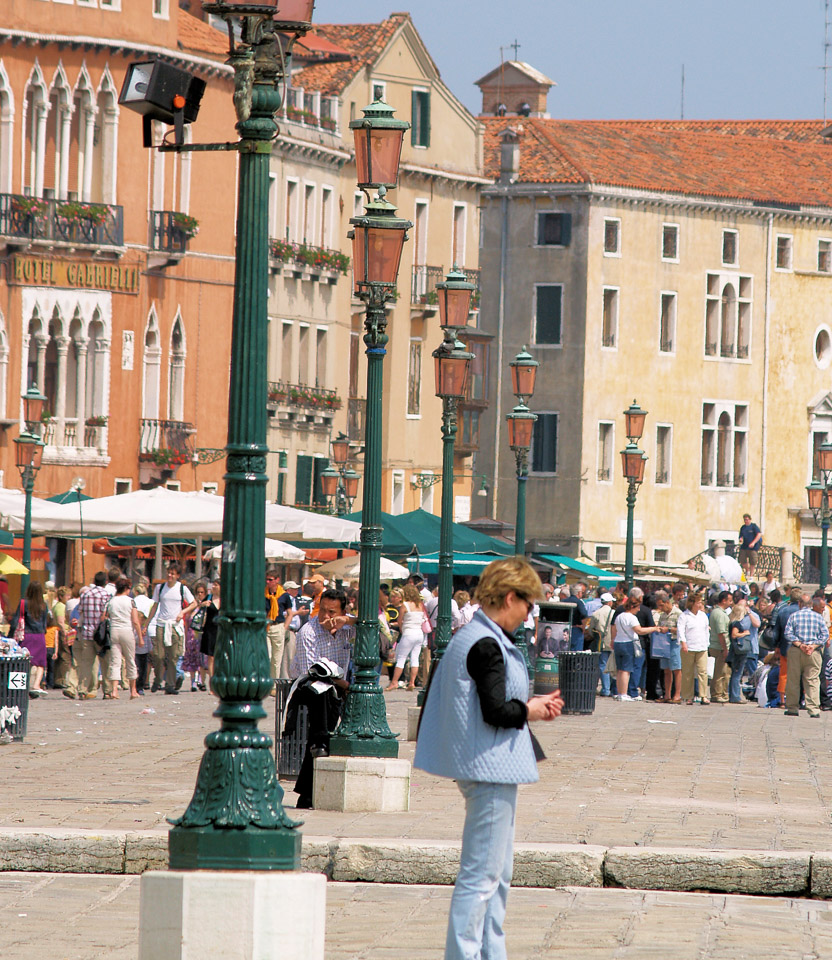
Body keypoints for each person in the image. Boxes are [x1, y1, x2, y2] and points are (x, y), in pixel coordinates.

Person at [414, 557, 563, 960]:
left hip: (488, 764)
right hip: (489, 767)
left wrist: (530, 707)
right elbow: (495, 710)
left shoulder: (479, 636)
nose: (531, 614)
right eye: (529, 604)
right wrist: (530, 709)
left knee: (496, 876)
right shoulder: (485, 644)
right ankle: (465, 954)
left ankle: (489, 953)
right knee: (482, 876)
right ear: (511, 597)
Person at [289, 588, 355, 808]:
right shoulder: (308, 631)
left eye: (332, 612)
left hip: (335, 689)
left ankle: (306, 792)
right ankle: (321, 739)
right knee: (324, 696)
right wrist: (343, 684)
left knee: (326, 713)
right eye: (322, 610)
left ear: (342, 612)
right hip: (308, 685)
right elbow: (311, 670)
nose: (326, 616)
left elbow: (378, 630)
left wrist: (349, 621)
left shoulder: (346, 629)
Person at [147, 563, 194, 695]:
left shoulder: (182, 589)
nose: (170, 575)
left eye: (173, 573)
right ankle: (157, 679)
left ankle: (170, 684)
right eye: (168, 572)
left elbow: (194, 603)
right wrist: (147, 624)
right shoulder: (160, 588)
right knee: (158, 655)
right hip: (161, 624)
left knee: (174, 656)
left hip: (175, 626)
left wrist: (182, 612)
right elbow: (155, 606)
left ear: (177, 576)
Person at [784, 593, 829, 717]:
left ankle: (792, 708)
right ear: (811, 605)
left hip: (796, 650)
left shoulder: (794, 616)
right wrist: (813, 646)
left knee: (793, 679)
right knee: (813, 680)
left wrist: (800, 644)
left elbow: (788, 633)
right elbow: (824, 635)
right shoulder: (818, 617)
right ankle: (813, 709)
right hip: (813, 652)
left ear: (799, 604)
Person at [101, 577, 142, 700]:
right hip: (127, 631)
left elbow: (103, 617)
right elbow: (135, 621)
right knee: (130, 660)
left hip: (114, 631)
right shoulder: (131, 601)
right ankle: (133, 690)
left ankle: (114, 690)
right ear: (126, 588)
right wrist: (140, 637)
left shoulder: (111, 601)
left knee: (115, 661)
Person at [74, 570, 112, 700]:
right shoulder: (107, 594)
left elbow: (80, 611)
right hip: (102, 635)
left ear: (94, 581)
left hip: (87, 633)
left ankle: (82, 690)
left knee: (86, 663)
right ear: (105, 582)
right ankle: (107, 691)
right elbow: (109, 613)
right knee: (105, 663)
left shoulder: (85, 594)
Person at [610, 595, 656, 701]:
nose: (639, 610)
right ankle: (624, 693)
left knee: (620, 670)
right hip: (628, 643)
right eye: (637, 607)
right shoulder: (632, 617)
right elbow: (639, 631)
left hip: (618, 642)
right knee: (626, 670)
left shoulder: (619, 616)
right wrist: (653, 629)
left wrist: (612, 639)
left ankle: (619, 692)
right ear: (632, 607)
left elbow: (614, 629)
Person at [10, 580, 50, 698]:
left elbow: (16, 620)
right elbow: (44, 623)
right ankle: (36, 685)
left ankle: (24, 685)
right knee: (41, 663)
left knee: (25, 662)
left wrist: (10, 635)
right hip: (40, 635)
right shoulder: (43, 605)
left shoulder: (24, 603)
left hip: (27, 635)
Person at [386, 584, 426, 692]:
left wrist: (402, 629)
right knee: (415, 658)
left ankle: (394, 682)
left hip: (408, 633)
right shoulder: (420, 605)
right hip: (419, 634)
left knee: (401, 658)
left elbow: (400, 620)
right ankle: (412, 682)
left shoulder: (405, 605)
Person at [678, 592, 710, 704]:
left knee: (703, 671)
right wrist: (683, 643)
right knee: (688, 672)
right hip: (689, 647)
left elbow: (706, 630)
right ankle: (688, 696)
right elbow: (681, 630)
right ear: (692, 603)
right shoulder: (684, 616)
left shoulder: (703, 615)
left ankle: (703, 695)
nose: (700, 604)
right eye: (698, 602)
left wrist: (707, 644)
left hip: (702, 646)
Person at [182, 580, 209, 692]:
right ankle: (193, 682)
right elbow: (187, 620)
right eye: (198, 592)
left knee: (202, 660)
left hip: (202, 636)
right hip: (191, 636)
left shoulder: (207, 606)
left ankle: (201, 680)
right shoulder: (192, 607)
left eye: (202, 592)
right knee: (192, 660)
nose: (200, 594)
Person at [655, 590, 682, 703]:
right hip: (664, 644)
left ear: (667, 602)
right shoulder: (662, 615)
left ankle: (677, 695)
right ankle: (667, 694)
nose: (660, 608)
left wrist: (669, 630)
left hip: (675, 642)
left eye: (661, 605)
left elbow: (682, 629)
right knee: (666, 670)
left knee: (676, 669)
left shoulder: (678, 614)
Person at [588, 592, 616, 696]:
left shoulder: (596, 613)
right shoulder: (614, 613)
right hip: (612, 641)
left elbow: (591, 629)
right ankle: (614, 689)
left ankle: (605, 689)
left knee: (603, 665)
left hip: (601, 642)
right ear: (609, 602)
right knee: (613, 665)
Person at [708, 590, 733, 703]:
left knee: (723, 671)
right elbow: (721, 633)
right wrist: (725, 648)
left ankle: (720, 693)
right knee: (720, 672)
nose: (731, 603)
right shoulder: (719, 614)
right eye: (729, 600)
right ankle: (717, 693)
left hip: (718, 645)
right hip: (720, 646)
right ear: (724, 600)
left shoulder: (716, 612)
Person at [199, 578, 221, 688]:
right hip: (209, 630)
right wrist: (203, 605)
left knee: (220, 656)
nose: (213, 587)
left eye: (216, 585)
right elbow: (199, 610)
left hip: (221, 630)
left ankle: (219, 680)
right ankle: (212, 683)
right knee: (211, 657)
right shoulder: (209, 598)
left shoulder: (225, 600)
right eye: (213, 585)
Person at [265, 569, 285, 688]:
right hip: (266, 627)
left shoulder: (283, 595)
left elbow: (289, 612)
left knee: (276, 659)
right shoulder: (263, 595)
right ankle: (266, 682)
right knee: (267, 656)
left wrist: (285, 627)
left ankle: (274, 685)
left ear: (277, 580)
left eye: (271, 580)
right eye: (267, 579)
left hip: (278, 626)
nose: (268, 582)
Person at [132, 581, 154, 696]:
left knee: (134, 662)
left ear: (135, 592)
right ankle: (142, 684)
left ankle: (134, 684)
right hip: (147, 631)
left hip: (134, 633)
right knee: (144, 662)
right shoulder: (151, 602)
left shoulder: (132, 601)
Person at [738, 514, 763, 578]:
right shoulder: (743, 527)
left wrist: (753, 543)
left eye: (747, 519)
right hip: (744, 546)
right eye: (744, 520)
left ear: (750, 519)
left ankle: (751, 576)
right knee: (742, 560)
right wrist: (740, 539)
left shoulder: (753, 526)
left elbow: (759, 534)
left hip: (753, 548)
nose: (745, 521)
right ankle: (747, 570)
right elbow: (740, 536)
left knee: (752, 562)